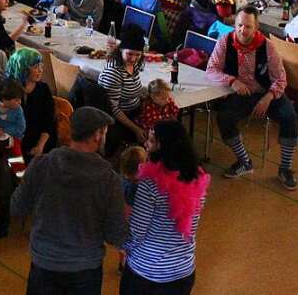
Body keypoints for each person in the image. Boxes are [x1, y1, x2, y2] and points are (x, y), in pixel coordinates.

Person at [11, 106, 128, 295]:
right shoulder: (108, 179)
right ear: (97, 135)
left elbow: (17, 208)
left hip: (44, 262)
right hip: (85, 268)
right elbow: (115, 233)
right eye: (104, 132)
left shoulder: (41, 164)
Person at [206, 6, 298, 189]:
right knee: (224, 117)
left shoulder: (268, 47)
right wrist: (232, 81)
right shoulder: (225, 41)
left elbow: (280, 79)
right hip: (241, 93)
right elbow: (211, 69)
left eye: (248, 27)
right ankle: (244, 161)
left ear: (256, 28)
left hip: (267, 92)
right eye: (239, 25)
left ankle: (285, 168)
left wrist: (268, 97)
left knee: (290, 116)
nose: (242, 30)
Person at [122, 121, 210, 295]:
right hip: (183, 271)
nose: (146, 144)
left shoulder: (150, 184)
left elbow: (137, 233)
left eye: (152, 141)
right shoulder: (197, 178)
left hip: (147, 274)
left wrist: (122, 245)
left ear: (164, 147)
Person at [98, 23, 149, 155]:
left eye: (138, 55)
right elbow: (114, 109)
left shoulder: (134, 65)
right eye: (130, 54)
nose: (133, 59)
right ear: (121, 50)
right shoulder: (114, 72)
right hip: (122, 118)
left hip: (134, 110)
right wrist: (136, 129)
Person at [4, 48, 57, 160]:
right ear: (23, 69)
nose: (40, 70)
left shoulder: (43, 89)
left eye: (41, 66)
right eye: (36, 67)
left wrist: (40, 146)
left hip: (41, 141)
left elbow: (49, 122)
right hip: (14, 143)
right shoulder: (7, 90)